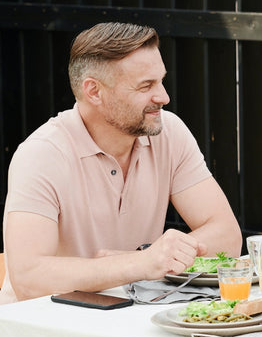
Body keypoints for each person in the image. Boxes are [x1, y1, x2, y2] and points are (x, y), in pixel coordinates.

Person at [1, 23, 242, 303]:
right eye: (145, 85)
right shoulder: (41, 155)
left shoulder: (169, 131)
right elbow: (27, 279)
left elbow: (228, 237)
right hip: (43, 332)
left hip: (131, 319)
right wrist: (141, 264)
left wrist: (138, 259)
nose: (163, 97)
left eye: (161, 81)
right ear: (94, 91)